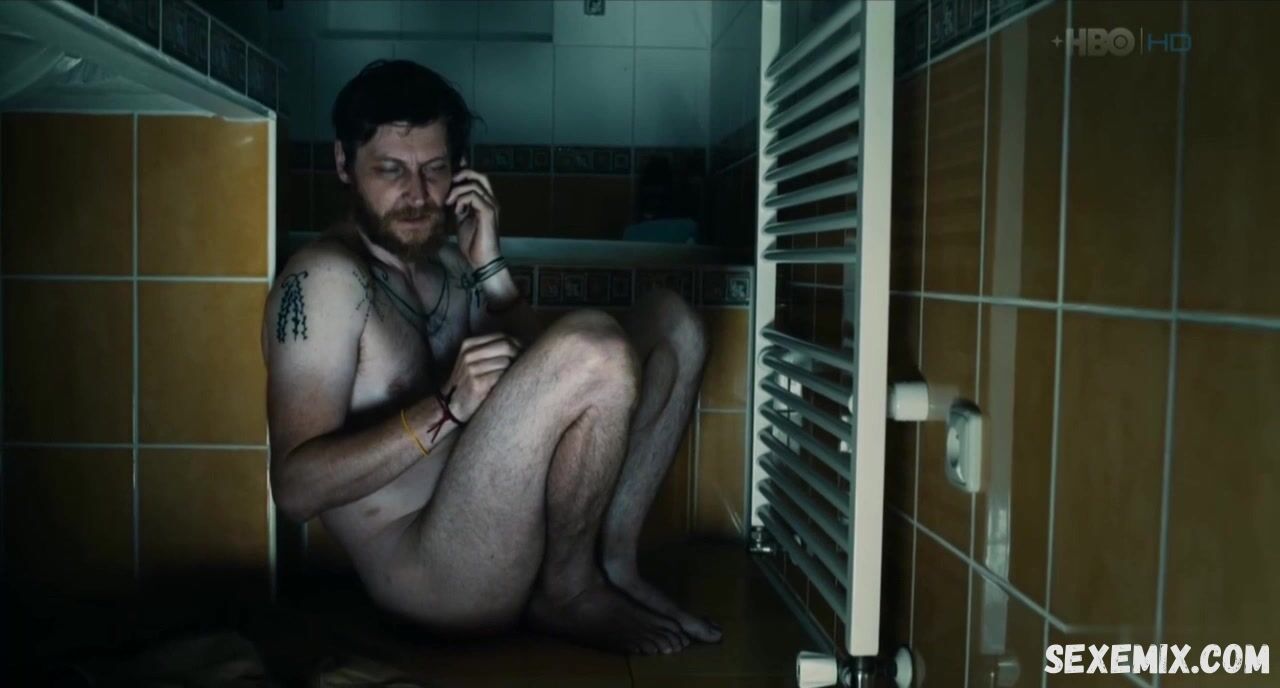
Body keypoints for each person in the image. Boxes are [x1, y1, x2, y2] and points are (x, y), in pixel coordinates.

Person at [260, 60, 721, 655]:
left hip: (508, 525)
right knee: (594, 345)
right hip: (435, 572)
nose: (418, 195)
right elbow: (294, 491)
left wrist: (491, 268)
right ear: (344, 164)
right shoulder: (324, 281)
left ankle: (612, 562)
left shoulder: (450, 266)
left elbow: (566, 381)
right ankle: (569, 591)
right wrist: (446, 409)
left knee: (673, 324)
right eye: (391, 171)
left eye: (435, 169)